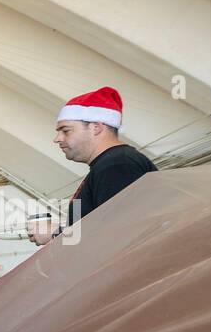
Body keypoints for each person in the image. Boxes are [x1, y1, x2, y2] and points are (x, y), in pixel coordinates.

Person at [55, 87, 157, 227]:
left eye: (66, 131)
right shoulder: (109, 164)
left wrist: (55, 234)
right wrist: (57, 234)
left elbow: (118, 231)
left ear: (96, 127)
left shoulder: (118, 165)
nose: (57, 139)